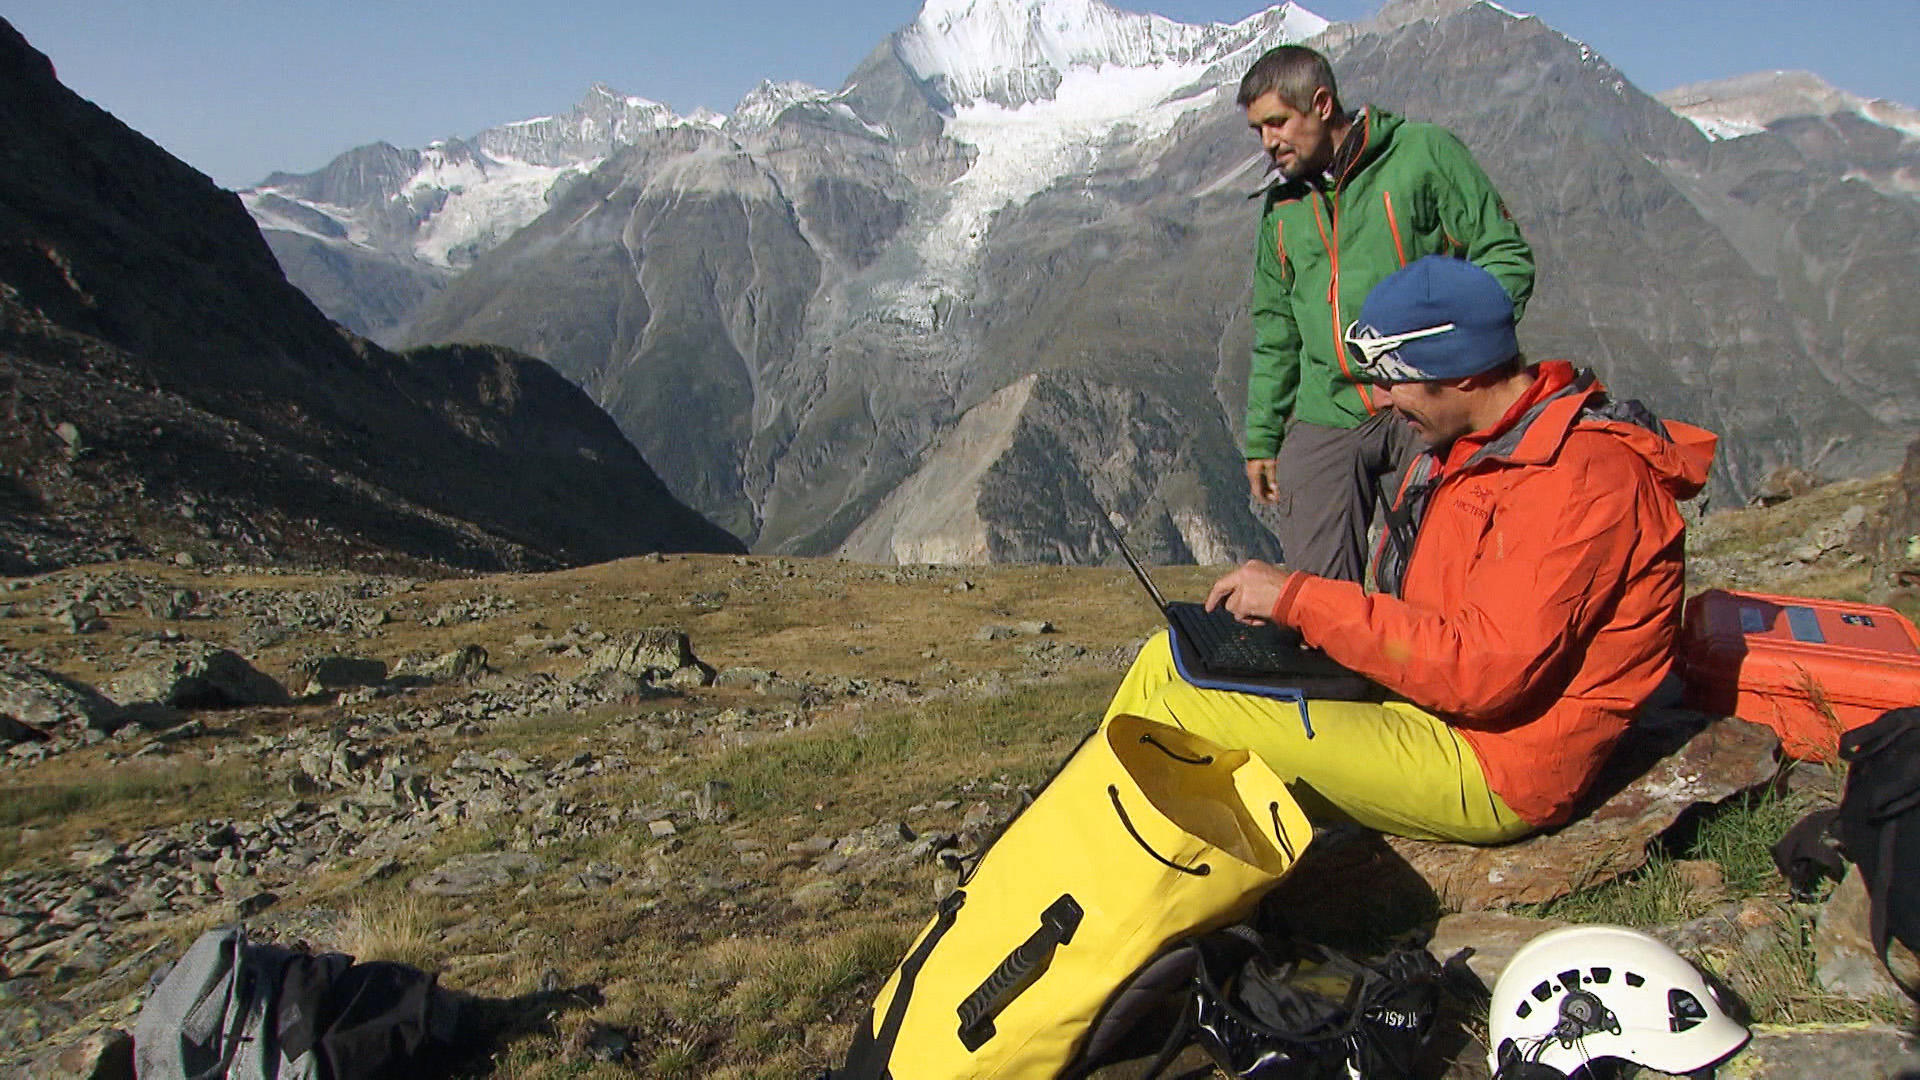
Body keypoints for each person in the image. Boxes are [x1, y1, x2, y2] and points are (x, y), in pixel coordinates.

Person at [1107, 256, 1715, 842]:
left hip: (1495, 763)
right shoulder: (1486, 443)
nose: (1381, 402)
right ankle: (1072, 842)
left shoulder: (1577, 481)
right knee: (1173, 656)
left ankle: (1094, 888)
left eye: (1394, 381)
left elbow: (1483, 673)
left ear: (1464, 373)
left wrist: (1300, 600)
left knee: (1183, 716)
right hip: (1428, 703)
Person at [1239, 45, 1534, 582]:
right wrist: (1262, 437)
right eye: (1258, 128)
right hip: (1326, 407)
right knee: (1314, 601)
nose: (1268, 142)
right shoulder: (1280, 206)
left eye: (1277, 122)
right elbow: (1276, 326)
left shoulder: (1423, 155)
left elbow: (1504, 257)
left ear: (1322, 104)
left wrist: (1446, 361)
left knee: (1441, 578)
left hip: (1424, 401)